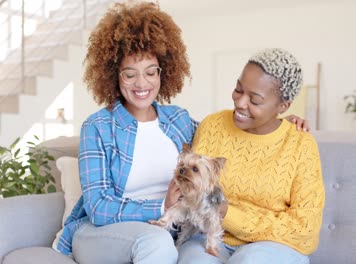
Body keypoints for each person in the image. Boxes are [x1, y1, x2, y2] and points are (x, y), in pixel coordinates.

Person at [55, 1, 309, 263]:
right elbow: (98, 208)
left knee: (164, 241)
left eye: (151, 72)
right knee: (158, 242)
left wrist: (276, 120)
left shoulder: (178, 120)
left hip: (166, 230)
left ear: (164, 71)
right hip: (103, 233)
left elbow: (227, 134)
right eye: (129, 75)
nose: (141, 83)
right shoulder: (97, 127)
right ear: (113, 76)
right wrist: (162, 206)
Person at [181, 48, 325, 264]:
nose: (240, 103)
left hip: (274, 246)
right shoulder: (212, 126)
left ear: (283, 106)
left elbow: (305, 229)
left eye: (255, 100)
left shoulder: (300, 144)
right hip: (211, 235)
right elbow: (193, 189)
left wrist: (228, 214)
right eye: (239, 89)